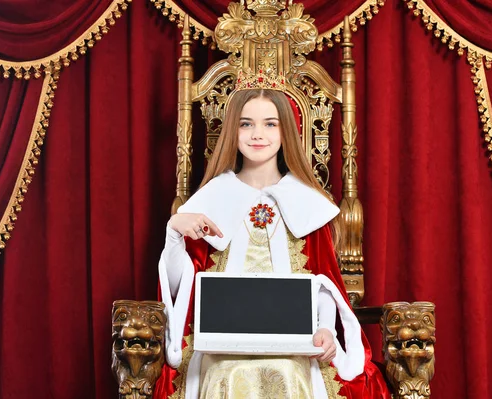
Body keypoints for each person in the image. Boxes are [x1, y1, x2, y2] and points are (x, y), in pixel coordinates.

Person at [152, 83, 390, 398]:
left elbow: (324, 284)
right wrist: (175, 233)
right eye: (246, 123)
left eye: (270, 124)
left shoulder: (308, 204)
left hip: (294, 344)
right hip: (221, 345)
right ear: (232, 132)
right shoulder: (209, 201)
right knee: (230, 373)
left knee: (287, 372)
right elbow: (177, 289)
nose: (257, 134)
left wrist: (327, 330)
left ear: (285, 132)